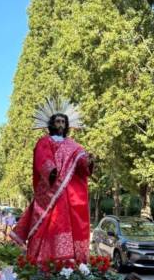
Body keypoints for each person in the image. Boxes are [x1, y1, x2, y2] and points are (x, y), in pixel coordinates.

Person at [11, 104, 95, 263]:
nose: (61, 125)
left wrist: (89, 162)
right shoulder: (44, 141)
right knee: (48, 222)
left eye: (63, 122)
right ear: (51, 124)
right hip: (51, 190)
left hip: (68, 193)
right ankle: (43, 258)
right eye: (57, 121)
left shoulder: (74, 146)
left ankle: (70, 259)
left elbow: (82, 166)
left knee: (69, 222)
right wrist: (50, 171)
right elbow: (42, 158)